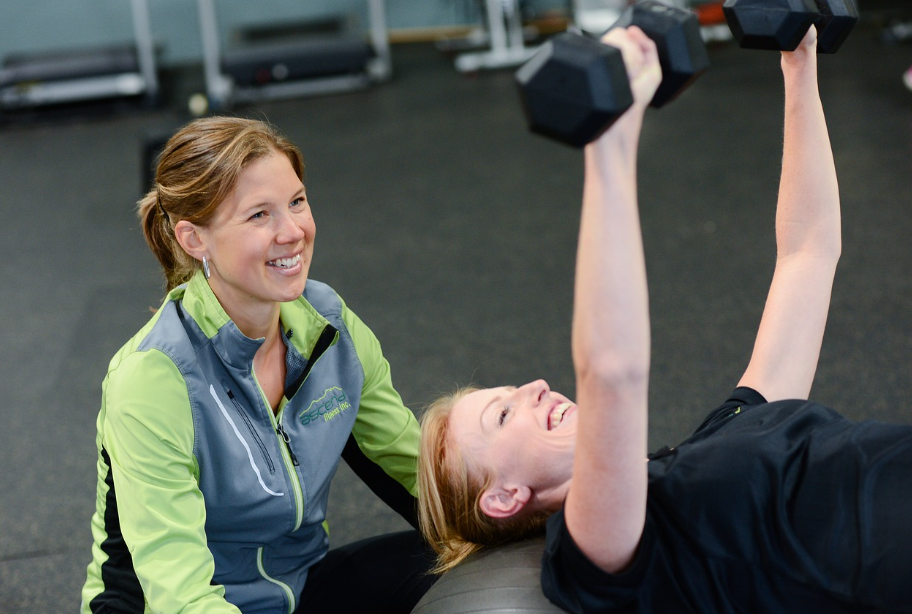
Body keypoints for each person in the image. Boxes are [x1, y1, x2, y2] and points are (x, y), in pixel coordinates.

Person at [417, 26, 912, 613]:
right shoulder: (593, 550)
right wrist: (609, 142)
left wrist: (797, 61)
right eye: (503, 415)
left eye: (512, 390)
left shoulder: (715, 439)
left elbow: (808, 254)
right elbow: (612, 373)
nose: (535, 387)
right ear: (504, 498)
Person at [81, 117, 435, 613]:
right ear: (194, 239)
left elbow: (415, 472)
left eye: (297, 202)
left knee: (460, 562)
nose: (293, 232)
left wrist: (518, 525)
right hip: (179, 606)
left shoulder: (328, 327)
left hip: (299, 587)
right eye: (259, 215)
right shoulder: (153, 379)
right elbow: (179, 592)